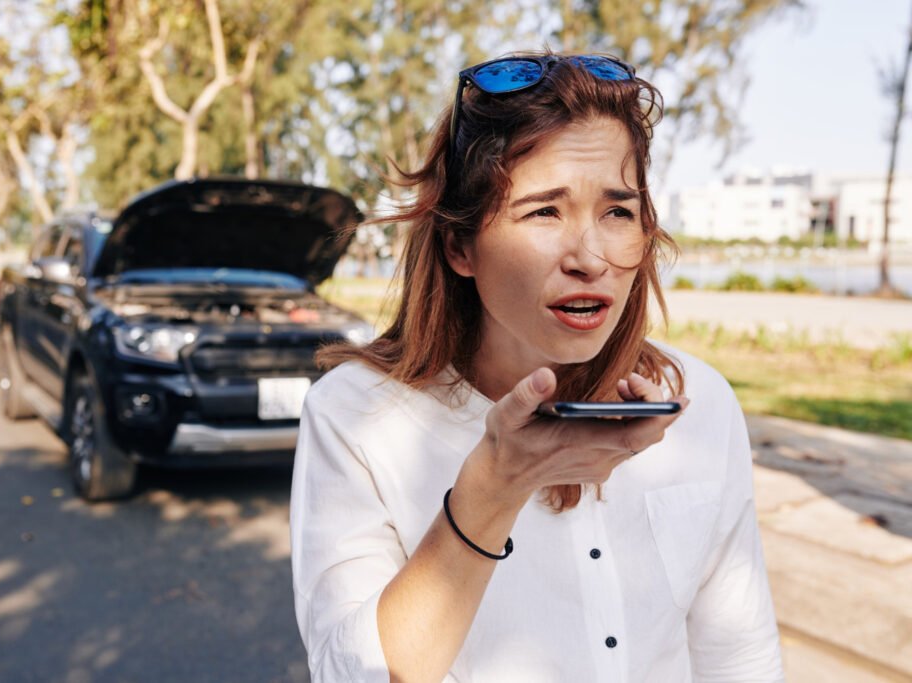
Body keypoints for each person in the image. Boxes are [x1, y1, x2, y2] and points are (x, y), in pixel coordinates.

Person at [290, 52, 783, 682]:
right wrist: (490, 491)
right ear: (460, 246)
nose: (591, 256)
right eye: (545, 211)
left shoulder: (700, 402)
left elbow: (739, 657)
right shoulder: (354, 416)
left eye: (618, 212)